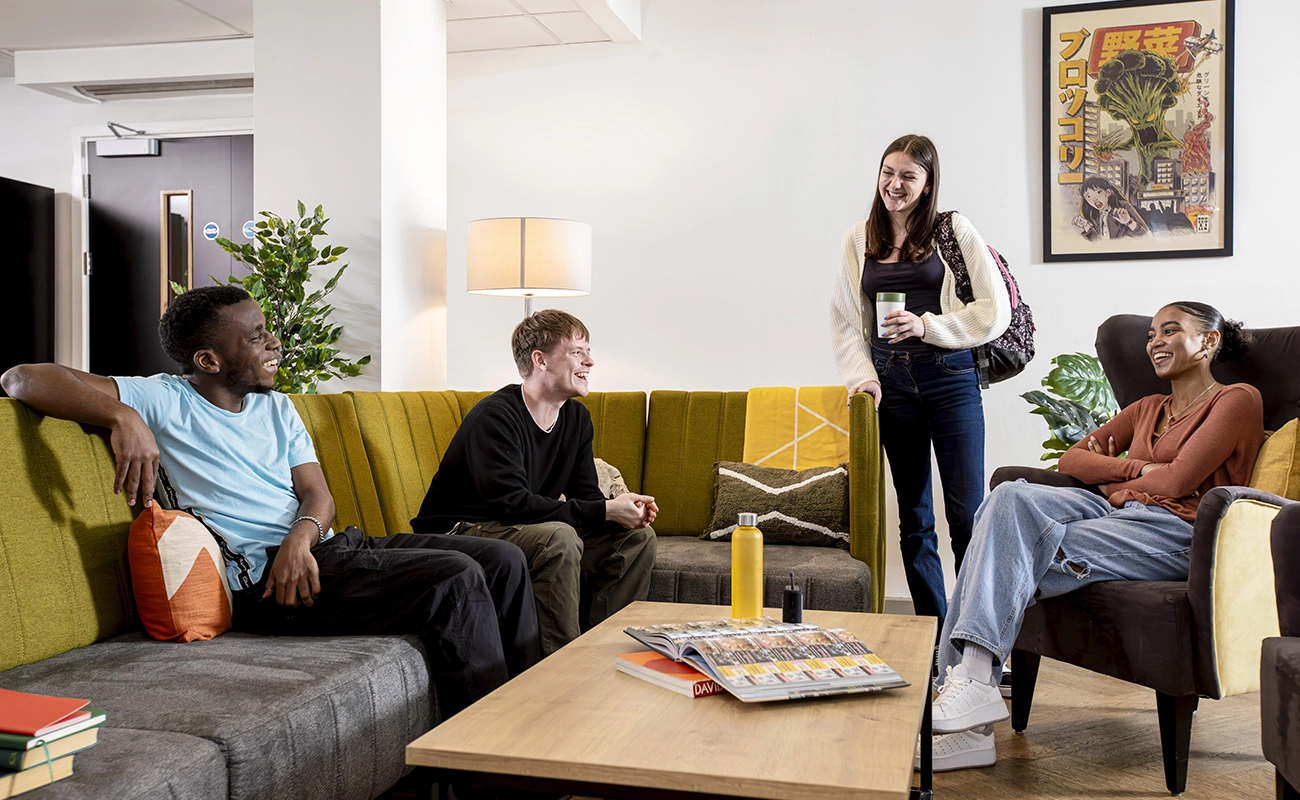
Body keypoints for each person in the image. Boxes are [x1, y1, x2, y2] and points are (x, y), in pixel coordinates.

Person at [0, 286, 539, 719]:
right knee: (454, 576)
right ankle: (487, 769)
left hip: (319, 551)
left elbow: (317, 494)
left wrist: (300, 537)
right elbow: (22, 378)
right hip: (267, 585)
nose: (274, 343)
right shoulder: (163, 397)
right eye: (256, 337)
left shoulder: (277, 408)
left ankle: (531, 720)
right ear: (207, 359)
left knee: (505, 558)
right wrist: (123, 416)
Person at [922, 301, 1265, 771]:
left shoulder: (1237, 400)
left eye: (1169, 331)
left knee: (1009, 547)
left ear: (1208, 340)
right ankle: (973, 690)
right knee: (1007, 501)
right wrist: (1139, 469)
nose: (1155, 342)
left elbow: (1177, 484)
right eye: (1150, 335)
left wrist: (1118, 476)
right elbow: (1071, 462)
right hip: (1112, 511)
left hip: (1178, 532)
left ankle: (971, 704)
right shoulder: (1148, 408)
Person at [829, 133, 1012, 626]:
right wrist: (862, 378)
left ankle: (976, 637)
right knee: (914, 519)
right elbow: (847, 320)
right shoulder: (857, 238)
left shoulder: (954, 230)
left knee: (966, 516)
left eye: (909, 176)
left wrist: (927, 325)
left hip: (949, 378)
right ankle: (935, 637)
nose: (895, 184)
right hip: (891, 385)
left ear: (928, 183)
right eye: (888, 173)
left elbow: (995, 309)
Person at [412, 309, 658, 657]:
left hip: (514, 526)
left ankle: (604, 654)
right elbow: (510, 504)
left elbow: (585, 496)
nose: (590, 361)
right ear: (540, 360)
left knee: (636, 538)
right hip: (460, 528)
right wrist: (603, 510)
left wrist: (619, 511)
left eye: (588, 351)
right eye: (577, 351)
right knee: (557, 538)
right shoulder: (496, 416)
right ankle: (559, 666)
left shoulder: (576, 418)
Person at [1073, 175, 1150, 241]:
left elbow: (1146, 236)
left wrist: (1129, 222)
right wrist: (1086, 226)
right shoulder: (1095, 215)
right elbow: (1099, 243)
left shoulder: (1123, 206)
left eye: (1098, 192)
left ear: (1108, 192)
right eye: (1088, 196)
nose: (1094, 199)